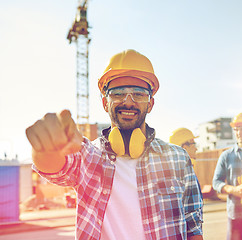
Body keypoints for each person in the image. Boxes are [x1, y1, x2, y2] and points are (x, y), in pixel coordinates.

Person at [26, 49, 203, 240]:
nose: (128, 102)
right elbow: (54, 167)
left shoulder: (177, 157)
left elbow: (192, 223)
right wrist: (45, 148)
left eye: (139, 94)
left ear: (150, 104)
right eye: (118, 93)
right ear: (104, 102)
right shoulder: (88, 155)